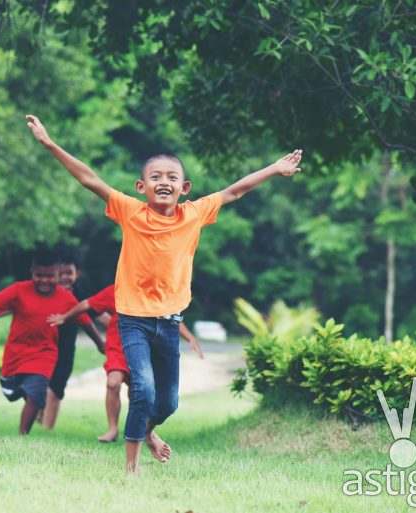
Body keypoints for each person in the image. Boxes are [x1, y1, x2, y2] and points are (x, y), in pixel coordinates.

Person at [25, 114, 302, 473]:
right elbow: (89, 179)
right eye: (156, 177)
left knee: (168, 403)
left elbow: (234, 191)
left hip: (169, 323)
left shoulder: (194, 214)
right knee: (143, 389)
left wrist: (274, 169)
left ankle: (148, 431)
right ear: (142, 186)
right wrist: (49, 144)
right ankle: (132, 467)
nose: (164, 182)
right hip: (133, 320)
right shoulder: (131, 211)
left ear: (184, 187)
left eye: (172, 177)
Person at [0, 249, 104, 435]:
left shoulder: (66, 298)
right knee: (13, 392)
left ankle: (22, 434)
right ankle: (26, 394)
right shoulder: (19, 290)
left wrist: (100, 344)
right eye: (39, 275)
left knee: (37, 391)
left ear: (57, 275)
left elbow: (85, 321)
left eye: (50, 276)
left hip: (45, 353)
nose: (44, 280)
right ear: (31, 272)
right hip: (16, 354)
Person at [48, 284, 204, 443]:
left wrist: (190, 337)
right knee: (113, 382)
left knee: (138, 393)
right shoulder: (118, 290)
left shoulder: (155, 291)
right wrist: (65, 317)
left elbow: (171, 317)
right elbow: (87, 304)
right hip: (117, 349)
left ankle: (139, 430)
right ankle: (112, 429)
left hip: (143, 350)